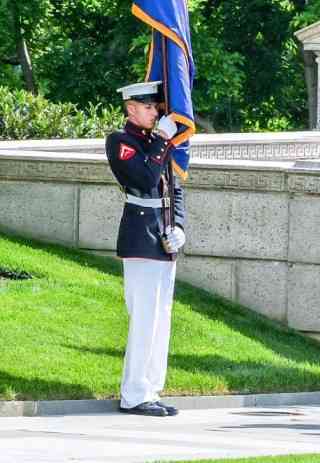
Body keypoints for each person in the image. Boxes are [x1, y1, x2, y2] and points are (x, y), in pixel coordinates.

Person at [106, 81, 186, 417]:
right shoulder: (120, 142)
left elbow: (175, 188)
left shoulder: (156, 143)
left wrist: (180, 226)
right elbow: (144, 178)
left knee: (161, 318)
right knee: (144, 318)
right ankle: (134, 394)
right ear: (131, 108)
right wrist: (162, 140)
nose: (157, 112)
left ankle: (150, 389)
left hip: (165, 237)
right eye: (150, 107)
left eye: (157, 106)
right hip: (141, 237)